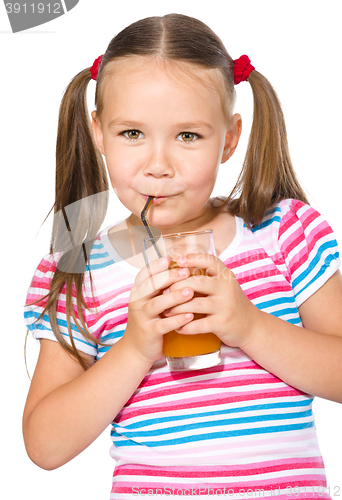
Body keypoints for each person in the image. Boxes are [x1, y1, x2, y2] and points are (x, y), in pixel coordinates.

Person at [23, 13, 342, 499]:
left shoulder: (281, 233)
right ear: (98, 133)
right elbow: (45, 446)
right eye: (132, 133)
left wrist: (248, 325)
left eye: (188, 136)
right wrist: (133, 348)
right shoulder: (78, 269)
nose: (158, 166)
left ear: (230, 138)